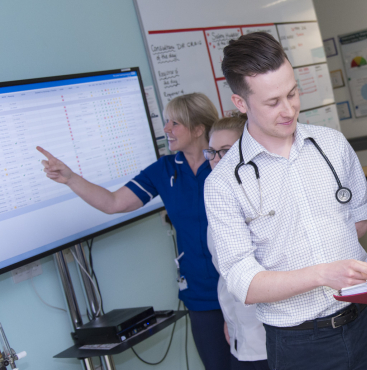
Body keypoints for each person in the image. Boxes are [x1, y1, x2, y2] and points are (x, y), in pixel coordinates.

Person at [204, 32, 367, 370]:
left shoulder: (332, 146)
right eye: (273, 102)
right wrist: (321, 273)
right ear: (241, 103)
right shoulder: (224, 184)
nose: (289, 109)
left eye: (292, 93)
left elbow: (358, 222)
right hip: (299, 344)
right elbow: (244, 284)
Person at [38, 93, 234, 369]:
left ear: (198, 128)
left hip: (241, 286)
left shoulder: (225, 163)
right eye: (166, 122)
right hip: (201, 294)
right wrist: (71, 178)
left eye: (174, 123)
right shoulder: (165, 169)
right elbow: (113, 202)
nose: (166, 129)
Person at [205, 114, 270, 370]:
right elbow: (227, 274)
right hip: (240, 329)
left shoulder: (263, 196)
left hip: (269, 331)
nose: (217, 160)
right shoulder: (218, 197)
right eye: (211, 152)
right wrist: (229, 318)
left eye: (225, 151)